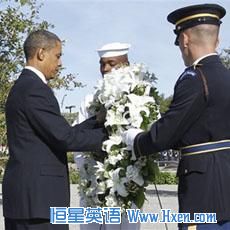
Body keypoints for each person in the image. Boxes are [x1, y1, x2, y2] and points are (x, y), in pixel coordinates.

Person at [123, 3, 230, 230]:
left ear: (184, 40)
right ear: (217, 41)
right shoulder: (226, 77)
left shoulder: (194, 78)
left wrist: (136, 140)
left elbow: (167, 133)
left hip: (204, 194)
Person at [2, 30, 107, 230]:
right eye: (58, 56)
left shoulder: (23, 86)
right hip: (38, 203)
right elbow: (65, 138)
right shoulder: (35, 89)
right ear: (41, 53)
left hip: (28, 201)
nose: (60, 64)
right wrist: (112, 137)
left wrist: (96, 121)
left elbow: (57, 131)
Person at [74, 42, 140, 230]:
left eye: (111, 63)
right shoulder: (89, 100)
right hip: (94, 185)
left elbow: (150, 138)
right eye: (102, 64)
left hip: (127, 186)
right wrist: (91, 174)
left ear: (126, 64)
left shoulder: (140, 99)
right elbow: (78, 141)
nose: (105, 69)